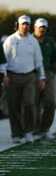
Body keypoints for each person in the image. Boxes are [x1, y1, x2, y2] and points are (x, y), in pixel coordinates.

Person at [2, 15, 46, 143]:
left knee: (29, 104)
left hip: (29, 76)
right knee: (13, 105)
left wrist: (42, 77)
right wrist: (4, 76)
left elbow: (38, 61)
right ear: (18, 25)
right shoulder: (10, 40)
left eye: (27, 24)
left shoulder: (33, 41)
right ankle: (16, 133)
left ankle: (28, 131)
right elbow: (3, 61)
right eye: (23, 24)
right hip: (12, 76)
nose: (25, 26)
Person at [32, 18, 56, 140]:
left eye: (44, 27)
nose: (42, 29)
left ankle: (45, 129)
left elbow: (55, 60)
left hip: (47, 73)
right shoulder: (29, 40)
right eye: (40, 27)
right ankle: (34, 130)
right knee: (33, 103)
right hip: (32, 73)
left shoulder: (50, 41)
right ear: (34, 27)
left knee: (50, 102)